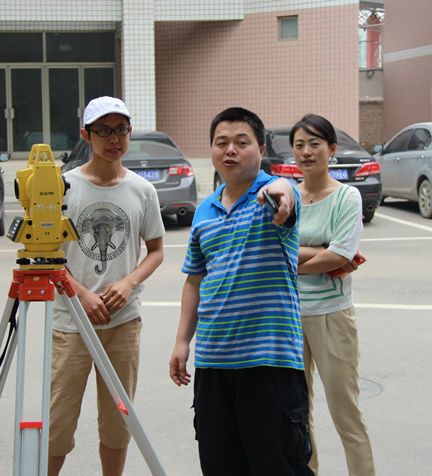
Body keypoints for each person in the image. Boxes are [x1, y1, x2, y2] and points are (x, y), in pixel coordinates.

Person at [169, 107, 313, 475]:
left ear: (261, 149)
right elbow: (194, 280)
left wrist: (282, 192)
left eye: (241, 142)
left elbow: (286, 192)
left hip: (270, 362)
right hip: (213, 362)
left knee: (279, 466)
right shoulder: (205, 210)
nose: (230, 150)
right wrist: (182, 342)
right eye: (221, 143)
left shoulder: (272, 197)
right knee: (220, 465)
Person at [48, 96, 165, 476]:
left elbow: (156, 251)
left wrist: (129, 282)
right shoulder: (62, 187)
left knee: (118, 421)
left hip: (123, 323)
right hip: (71, 324)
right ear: (86, 135)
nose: (114, 139)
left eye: (121, 129)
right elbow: (47, 257)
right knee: (58, 423)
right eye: (103, 130)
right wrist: (81, 295)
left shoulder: (142, 190)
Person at [291, 113, 375, 475]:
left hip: (332, 315)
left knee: (346, 414)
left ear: (332, 149)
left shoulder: (347, 197)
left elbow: (340, 255)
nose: (306, 152)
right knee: (297, 414)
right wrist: (322, 252)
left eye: (315, 144)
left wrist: (295, 259)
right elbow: (328, 255)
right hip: (289, 316)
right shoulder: (288, 196)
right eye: (299, 145)